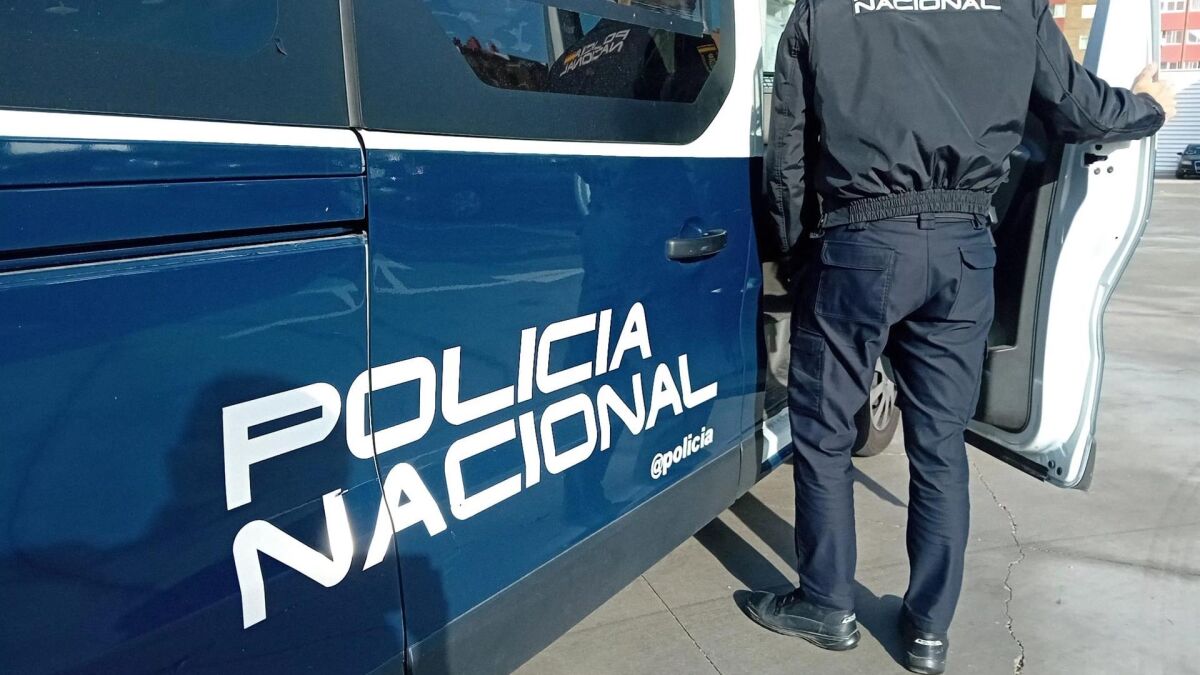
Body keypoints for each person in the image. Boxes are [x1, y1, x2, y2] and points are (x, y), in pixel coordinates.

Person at [741, 2, 1176, 674]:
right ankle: (927, 632)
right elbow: (1079, 111)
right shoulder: (1013, 7)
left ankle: (827, 605)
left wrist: (801, 256)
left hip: (858, 243)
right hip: (963, 248)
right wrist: (1149, 107)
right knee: (940, 447)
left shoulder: (823, 9)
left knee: (824, 433)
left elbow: (788, 152)